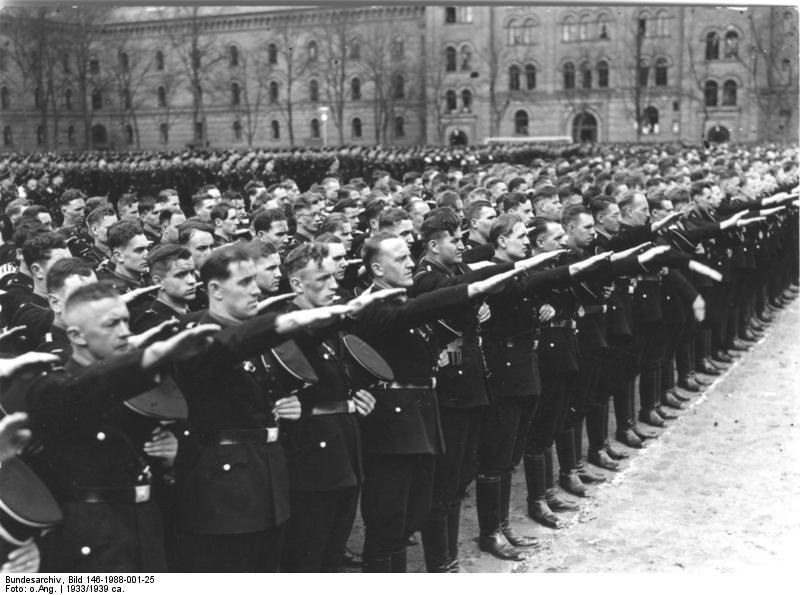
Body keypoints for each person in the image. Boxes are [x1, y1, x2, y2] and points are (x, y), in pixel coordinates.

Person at [171, 243, 357, 572]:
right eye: (244, 282)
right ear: (214, 289)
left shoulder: (257, 335)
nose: (255, 289)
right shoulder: (198, 334)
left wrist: (284, 405)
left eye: (254, 280)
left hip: (268, 479)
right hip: (224, 492)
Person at [25, 281, 219, 572]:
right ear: (76, 335)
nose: (125, 331)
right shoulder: (54, 386)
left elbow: (177, 450)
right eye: (111, 324)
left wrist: (173, 456)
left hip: (148, 528)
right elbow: (89, 388)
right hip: (93, 541)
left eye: (126, 321)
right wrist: (151, 355)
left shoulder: (137, 379)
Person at [36, 257, 97, 363]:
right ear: (55, 303)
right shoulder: (56, 356)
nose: (95, 303)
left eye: (98, 293)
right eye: (81, 296)